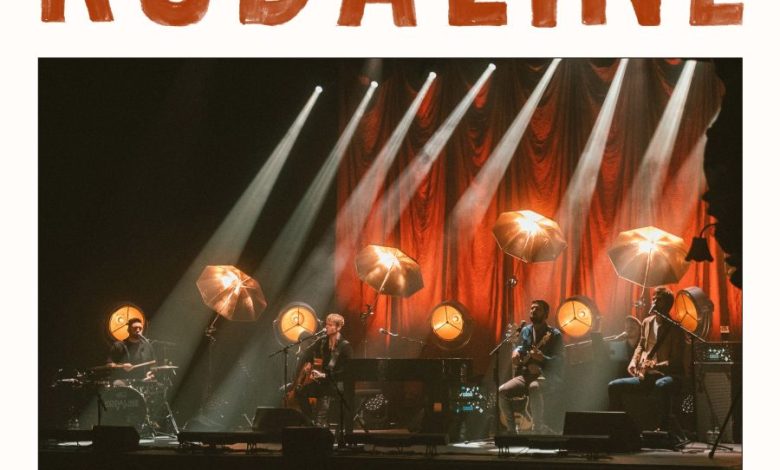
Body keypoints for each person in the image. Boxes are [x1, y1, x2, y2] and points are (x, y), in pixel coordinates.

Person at [608, 286, 685, 431]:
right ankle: (619, 428)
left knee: (661, 385)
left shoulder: (675, 328)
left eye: (658, 299)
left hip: (668, 375)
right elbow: (641, 345)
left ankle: (663, 430)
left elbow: (676, 360)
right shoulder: (647, 322)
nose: (654, 301)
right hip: (646, 375)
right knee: (613, 386)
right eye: (653, 298)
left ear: (667, 304)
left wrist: (656, 365)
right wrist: (633, 362)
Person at [499, 300, 564, 434]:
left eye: (537, 309)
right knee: (502, 391)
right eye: (532, 308)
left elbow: (560, 361)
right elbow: (520, 346)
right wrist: (515, 352)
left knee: (534, 387)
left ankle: (538, 429)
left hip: (547, 376)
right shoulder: (526, 330)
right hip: (526, 375)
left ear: (546, 314)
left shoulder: (554, 334)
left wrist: (542, 359)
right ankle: (511, 430)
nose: (533, 311)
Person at [295, 313, 353, 427]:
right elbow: (307, 354)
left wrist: (324, 376)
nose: (326, 327)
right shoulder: (322, 341)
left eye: (330, 325)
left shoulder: (345, 347)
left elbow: (346, 372)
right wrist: (309, 363)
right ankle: (310, 421)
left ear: (338, 327)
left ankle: (320, 423)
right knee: (300, 392)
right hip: (323, 382)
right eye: (326, 324)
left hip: (337, 383)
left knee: (325, 392)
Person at [107, 318, 156, 384]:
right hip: (124, 382)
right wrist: (122, 366)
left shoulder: (147, 346)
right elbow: (109, 365)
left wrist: (151, 373)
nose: (138, 330)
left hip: (144, 382)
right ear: (128, 330)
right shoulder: (118, 346)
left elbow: (153, 364)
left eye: (140, 328)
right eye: (135, 328)